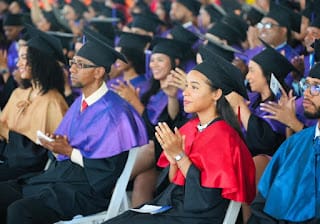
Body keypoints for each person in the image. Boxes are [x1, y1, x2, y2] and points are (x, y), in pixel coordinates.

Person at [0, 29, 148, 224]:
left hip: (85, 191)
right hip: (58, 179)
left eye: (80, 65)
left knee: (20, 211)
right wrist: (55, 144)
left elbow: (107, 173)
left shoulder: (115, 112)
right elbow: (66, 144)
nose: (72, 69)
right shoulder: (81, 102)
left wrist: (70, 152)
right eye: (72, 63)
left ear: (98, 72)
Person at [103, 57, 256, 224]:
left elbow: (205, 199)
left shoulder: (223, 137)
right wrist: (173, 159)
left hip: (199, 216)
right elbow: (174, 183)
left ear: (216, 94)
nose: (185, 92)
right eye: (187, 86)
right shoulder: (191, 127)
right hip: (176, 207)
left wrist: (179, 157)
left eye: (194, 87)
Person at [248, 62, 320, 223]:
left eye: (316, 87)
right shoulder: (296, 142)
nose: (307, 93)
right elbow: (263, 202)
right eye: (306, 84)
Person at [0, 26, 68, 181]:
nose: (18, 64)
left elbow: (45, 153)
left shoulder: (53, 102)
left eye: (24, 57)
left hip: (28, 171)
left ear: (39, 61)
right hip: (8, 158)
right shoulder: (19, 93)